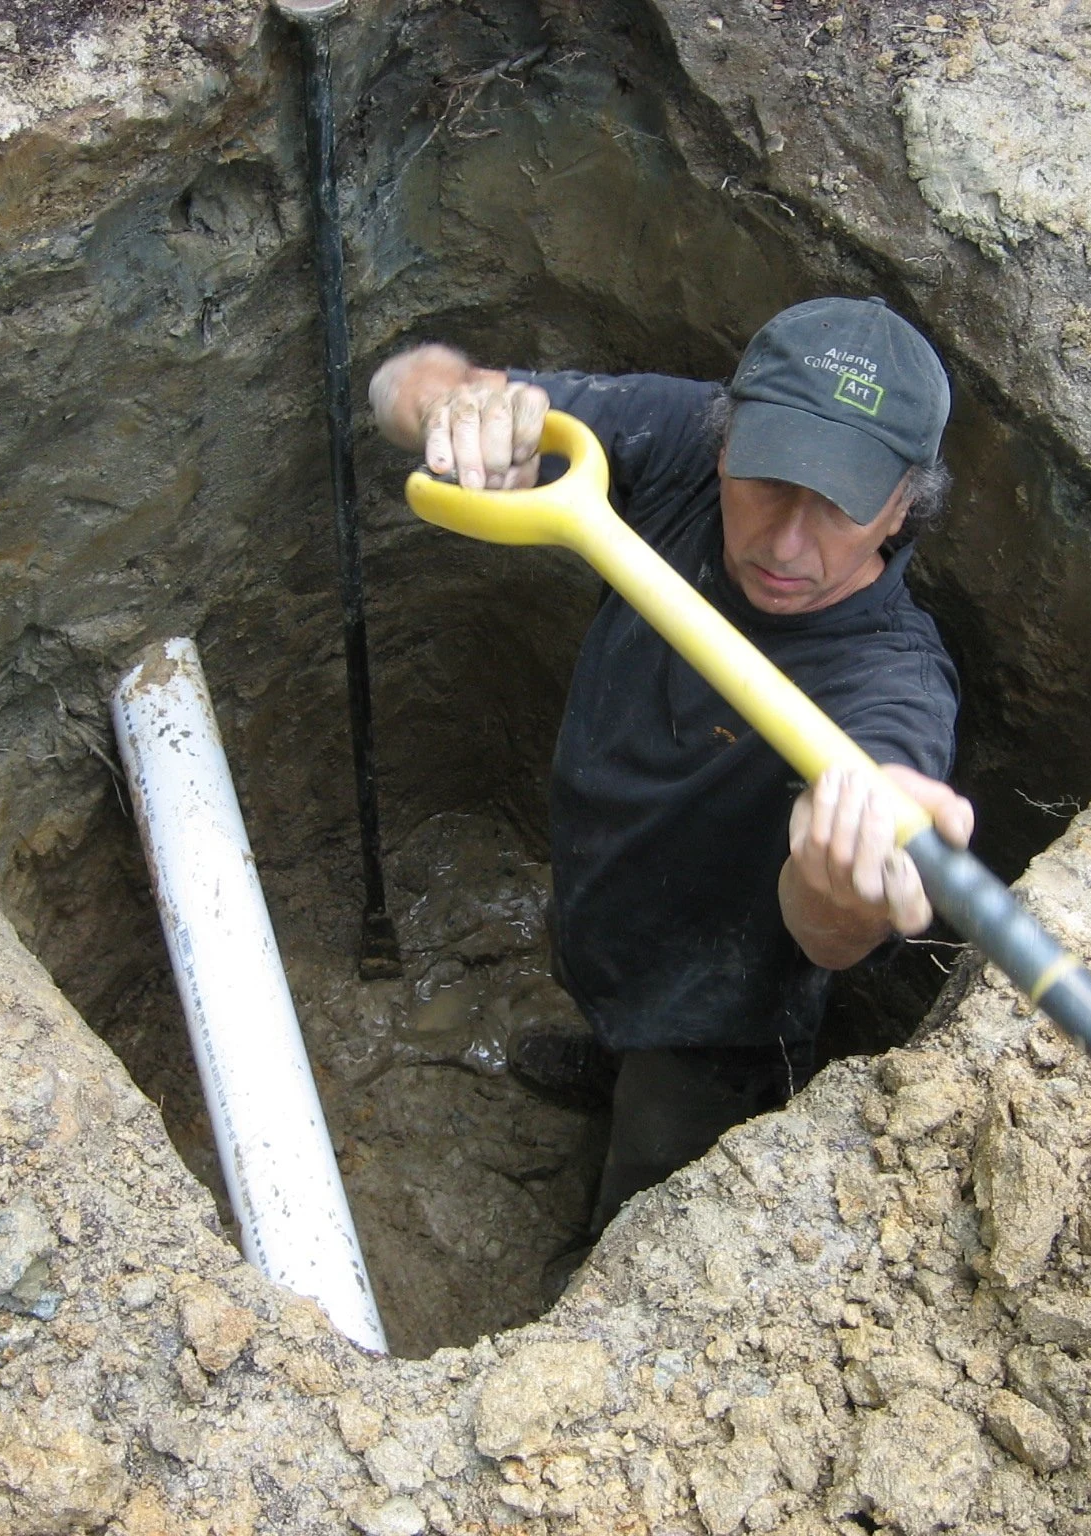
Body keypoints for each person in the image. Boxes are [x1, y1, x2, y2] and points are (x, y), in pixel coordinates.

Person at [368, 297, 975, 1232]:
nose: (785, 543)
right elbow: (403, 386)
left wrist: (840, 881)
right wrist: (454, 404)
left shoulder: (892, 681)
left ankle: (602, 1262)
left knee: (660, 1179)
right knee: (608, 1017)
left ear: (903, 504)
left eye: (841, 503)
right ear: (727, 444)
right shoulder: (679, 438)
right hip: (608, 898)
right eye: (770, 479)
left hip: (718, 1020)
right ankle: (604, 1061)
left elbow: (829, 940)